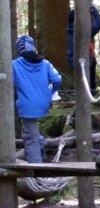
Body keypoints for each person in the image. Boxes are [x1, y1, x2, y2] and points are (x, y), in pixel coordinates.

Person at [12, 36, 62, 164]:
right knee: (33, 132)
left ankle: (37, 169)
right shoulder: (45, 63)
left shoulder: (13, 65)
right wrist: (49, 93)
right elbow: (57, 80)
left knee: (30, 138)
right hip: (44, 103)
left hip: (26, 106)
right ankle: (42, 152)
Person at [66, 4, 100, 90]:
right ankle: (90, 92)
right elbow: (99, 23)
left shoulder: (70, 30)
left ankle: (90, 91)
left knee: (83, 81)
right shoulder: (83, 29)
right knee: (87, 83)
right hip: (84, 62)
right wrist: (93, 8)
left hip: (73, 61)